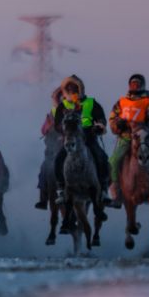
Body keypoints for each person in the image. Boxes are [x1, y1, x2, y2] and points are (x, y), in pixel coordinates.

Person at [107, 73, 149, 206]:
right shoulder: (121, 102)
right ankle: (116, 195)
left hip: (143, 139)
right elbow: (112, 118)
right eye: (133, 83)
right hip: (126, 139)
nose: (135, 85)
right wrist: (117, 126)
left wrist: (148, 131)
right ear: (129, 85)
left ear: (143, 85)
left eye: (138, 83)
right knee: (114, 160)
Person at [52, 75, 110, 208]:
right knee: (59, 159)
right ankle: (61, 190)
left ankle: (104, 190)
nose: (73, 93)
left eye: (75, 89)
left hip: (89, 137)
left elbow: (101, 118)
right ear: (66, 91)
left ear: (80, 89)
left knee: (101, 157)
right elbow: (57, 124)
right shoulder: (63, 105)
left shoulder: (90, 102)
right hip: (71, 138)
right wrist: (64, 130)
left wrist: (99, 126)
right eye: (70, 90)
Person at [34, 85, 64, 209]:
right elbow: (43, 129)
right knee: (44, 168)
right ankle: (43, 199)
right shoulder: (52, 114)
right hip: (52, 149)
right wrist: (50, 127)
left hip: (69, 145)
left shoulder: (76, 110)